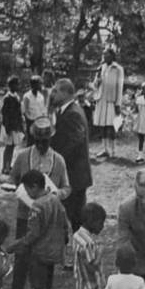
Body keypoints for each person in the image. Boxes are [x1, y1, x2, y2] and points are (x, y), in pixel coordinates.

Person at [7, 116, 70, 289]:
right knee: (22, 259)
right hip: (26, 216)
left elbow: (67, 187)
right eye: (39, 141)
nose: (42, 145)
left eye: (46, 142)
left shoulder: (58, 160)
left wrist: (56, 195)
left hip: (49, 219)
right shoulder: (23, 157)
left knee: (46, 261)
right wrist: (14, 189)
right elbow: (12, 179)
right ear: (33, 139)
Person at [5, 170, 71, 289]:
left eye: (27, 190)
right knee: (48, 287)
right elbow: (65, 223)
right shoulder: (55, 199)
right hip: (53, 251)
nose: (26, 194)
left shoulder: (37, 206)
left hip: (40, 252)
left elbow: (33, 234)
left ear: (34, 187)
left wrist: (16, 246)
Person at [49, 78, 93, 234]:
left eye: (56, 91)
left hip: (75, 175)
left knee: (76, 219)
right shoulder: (65, 111)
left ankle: (82, 251)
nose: (52, 94)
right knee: (70, 216)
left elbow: (74, 142)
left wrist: (56, 160)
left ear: (66, 93)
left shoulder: (73, 113)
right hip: (72, 174)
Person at [92, 48, 124, 158]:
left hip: (111, 100)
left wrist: (118, 104)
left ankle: (113, 150)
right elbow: (95, 85)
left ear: (112, 56)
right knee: (102, 125)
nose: (105, 57)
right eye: (104, 55)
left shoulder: (118, 69)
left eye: (107, 55)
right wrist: (97, 79)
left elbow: (120, 87)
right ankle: (105, 149)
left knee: (111, 126)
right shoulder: (101, 67)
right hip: (101, 99)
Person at [0, 76, 25, 175]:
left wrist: (20, 125)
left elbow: (18, 112)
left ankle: (8, 165)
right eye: (16, 84)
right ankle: (4, 167)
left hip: (15, 125)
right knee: (8, 146)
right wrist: (7, 127)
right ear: (11, 86)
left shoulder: (16, 97)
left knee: (13, 146)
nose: (17, 86)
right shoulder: (7, 98)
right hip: (9, 126)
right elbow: (5, 113)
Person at [22, 76, 48, 144]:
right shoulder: (27, 96)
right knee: (31, 142)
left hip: (40, 122)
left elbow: (43, 109)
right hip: (31, 122)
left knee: (39, 142)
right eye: (39, 84)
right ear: (33, 85)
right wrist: (31, 121)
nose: (40, 86)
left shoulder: (41, 96)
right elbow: (26, 111)